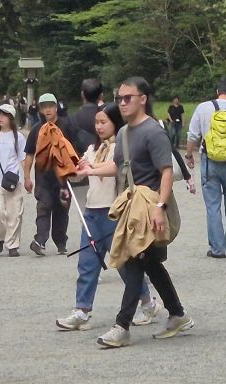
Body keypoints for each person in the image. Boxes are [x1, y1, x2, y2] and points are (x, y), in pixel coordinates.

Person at [95, 76, 192, 349]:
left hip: (149, 208)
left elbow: (167, 172)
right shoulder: (124, 133)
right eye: (119, 98)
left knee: (136, 260)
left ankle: (121, 325)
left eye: (128, 97)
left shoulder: (154, 132)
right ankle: (177, 314)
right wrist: (88, 170)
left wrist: (160, 208)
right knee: (148, 262)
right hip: (132, 208)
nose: (122, 103)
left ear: (143, 99)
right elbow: (119, 168)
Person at [57, 105, 157, 332]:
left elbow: (115, 168)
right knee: (87, 263)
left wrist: (90, 169)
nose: (99, 126)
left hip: (115, 212)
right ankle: (82, 310)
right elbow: (80, 171)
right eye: (97, 123)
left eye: (104, 122)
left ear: (115, 122)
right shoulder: (92, 149)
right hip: (91, 211)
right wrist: (67, 167)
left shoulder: (121, 148)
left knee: (123, 264)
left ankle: (148, 303)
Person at [184, 78, 226, 258]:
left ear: (217, 91)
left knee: (213, 205)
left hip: (209, 161)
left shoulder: (203, 108)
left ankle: (218, 248)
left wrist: (189, 156)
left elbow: (193, 135)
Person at [23, 93, 72, 255]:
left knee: (61, 210)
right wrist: (27, 177)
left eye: (50, 106)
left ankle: (60, 241)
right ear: (41, 110)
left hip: (63, 178)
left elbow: (76, 150)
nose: (48, 110)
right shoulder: (37, 129)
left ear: (56, 107)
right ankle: (40, 240)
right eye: (44, 107)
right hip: (43, 177)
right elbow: (29, 154)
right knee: (43, 207)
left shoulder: (66, 126)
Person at [0, 103, 25, 256]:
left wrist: (27, 177)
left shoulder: (18, 137)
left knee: (15, 212)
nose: (0, 118)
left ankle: (13, 244)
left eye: (4, 115)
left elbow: (22, 158)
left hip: (13, 179)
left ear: (11, 118)